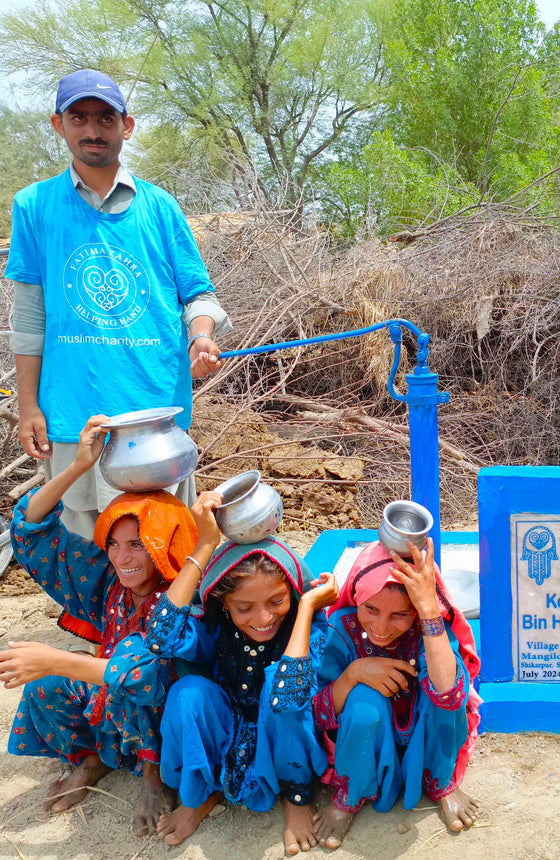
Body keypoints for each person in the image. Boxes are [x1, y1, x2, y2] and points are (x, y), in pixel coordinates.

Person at [5, 68, 231, 538]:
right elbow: (29, 318)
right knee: (91, 555)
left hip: (155, 417)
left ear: (126, 127)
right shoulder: (34, 206)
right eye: (80, 117)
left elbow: (198, 295)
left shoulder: (161, 207)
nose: (92, 130)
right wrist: (29, 406)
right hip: (75, 418)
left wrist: (202, 336)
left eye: (106, 118)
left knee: (164, 551)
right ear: (58, 124)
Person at [0, 414, 198, 835]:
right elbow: (31, 531)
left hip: (165, 721)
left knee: (131, 678)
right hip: (112, 702)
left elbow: (143, 675)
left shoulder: (184, 594)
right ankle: (91, 760)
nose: (123, 558)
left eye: (138, 546)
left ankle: (152, 776)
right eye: (114, 543)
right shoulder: (107, 582)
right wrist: (76, 467)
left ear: (166, 547)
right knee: (46, 686)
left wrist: (54, 658)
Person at [146, 491, 338, 855]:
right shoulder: (215, 628)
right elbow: (159, 637)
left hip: (283, 730)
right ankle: (200, 796)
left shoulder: (307, 628)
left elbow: (289, 697)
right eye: (244, 607)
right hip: (226, 722)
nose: (263, 618)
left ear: (293, 595)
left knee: (277, 689)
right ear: (223, 602)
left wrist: (307, 608)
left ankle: (296, 797)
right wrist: (204, 547)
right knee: (188, 693)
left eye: (277, 602)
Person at [311, 538, 482, 850]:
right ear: (356, 597)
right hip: (365, 741)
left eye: (400, 615)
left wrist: (429, 610)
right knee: (364, 705)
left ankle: (440, 780)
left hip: (423, 735)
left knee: (444, 690)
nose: (381, 626)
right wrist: (353, 675)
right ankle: (353, 789)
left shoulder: (428, 628)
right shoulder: (340, 629)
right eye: (371, 609)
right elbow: (319, 710)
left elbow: (451, 697)